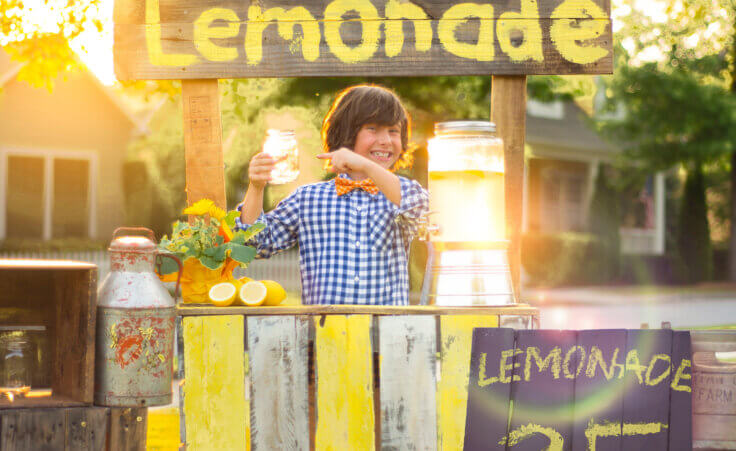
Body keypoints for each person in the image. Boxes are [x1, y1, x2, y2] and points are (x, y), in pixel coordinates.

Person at [235, 84, 429, 305]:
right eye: (373, 129)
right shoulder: (309, 198)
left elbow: (424, 210)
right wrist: (256, 186)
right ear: (346, 132)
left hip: (386, 335)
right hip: (324, 332)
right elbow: (254, 245)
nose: (386, 140)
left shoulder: (400, 193)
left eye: (393, 131)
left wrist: (365, 165)